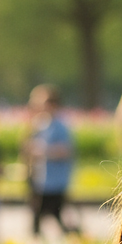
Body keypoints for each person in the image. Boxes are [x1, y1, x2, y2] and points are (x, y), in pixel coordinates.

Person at [25, 84, 76, 235]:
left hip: (55, 181)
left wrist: (44, 151)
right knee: (42, 216)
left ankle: (74, 238)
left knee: (54, 215)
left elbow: (66, 150)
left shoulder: (60, 125)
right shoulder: (40, 124)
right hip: (41, 179)